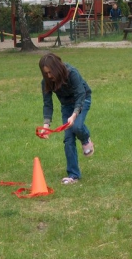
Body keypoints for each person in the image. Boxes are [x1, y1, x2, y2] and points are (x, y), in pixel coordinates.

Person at [39, 53, 94, 185]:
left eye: (50, 72)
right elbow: (48, 104)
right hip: (66, 106)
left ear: (57, 68)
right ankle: (73, 175)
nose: (49, 76)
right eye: (45, 73)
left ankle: (85, 139)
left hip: (82, 99)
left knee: (77, 126)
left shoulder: (72, 73)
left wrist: (74, 115)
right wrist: (46, 126)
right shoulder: (46, 82)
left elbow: (80, 94)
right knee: (68, 139)